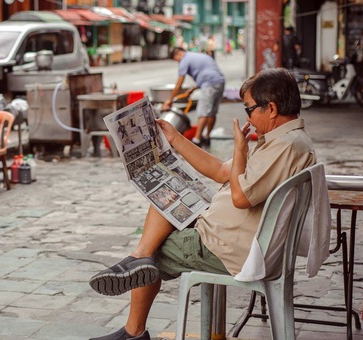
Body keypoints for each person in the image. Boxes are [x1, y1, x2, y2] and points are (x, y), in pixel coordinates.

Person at [88, 68, 315, 340]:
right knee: (167, 198)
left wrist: (240, 149)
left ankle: (134, 325)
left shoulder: (285, 147)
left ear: (272, 109)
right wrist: (174, 139)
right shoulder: (285, 141)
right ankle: (138, 259)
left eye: (250, 109)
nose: (248, 118)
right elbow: (221, 171)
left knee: (153, 254)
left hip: (227, 246)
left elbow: (241, 198)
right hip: (231, 235)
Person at [162, 47, 225, 147]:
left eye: (176, 59)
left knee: (203, 111)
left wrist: (169, 100)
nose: (178, 62)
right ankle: (207, 137)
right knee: (212, 112)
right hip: (220, 82)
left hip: (209, 84)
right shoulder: (197, 56)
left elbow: (179, 84)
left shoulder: (185, 60)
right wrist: (193, 89)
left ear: (178, 53)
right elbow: (207, 72)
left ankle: (197, 140)